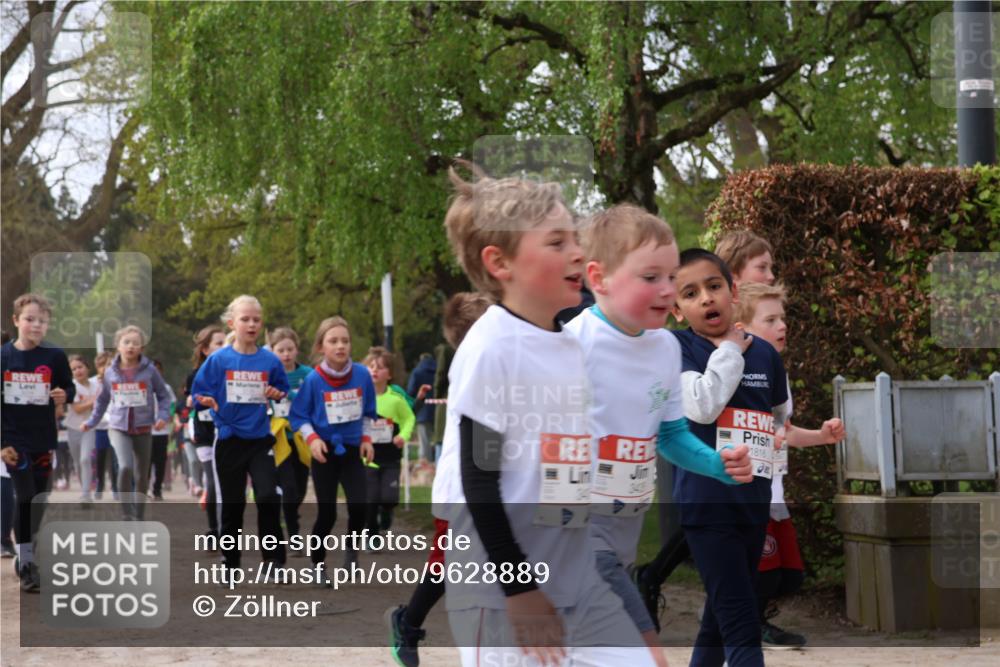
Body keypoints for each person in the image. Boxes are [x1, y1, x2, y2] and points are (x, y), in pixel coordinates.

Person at [438, 164, 656, 667]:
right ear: (500, 263)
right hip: (502, 595)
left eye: (574, 238)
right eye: (556, 242)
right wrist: (520, 590)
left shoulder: (566, 342)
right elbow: (480, 478)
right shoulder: (492, 347)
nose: (578, 252)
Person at [567, 204, 754, 666]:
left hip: (621, 535)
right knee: (647, 655)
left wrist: (717, 464)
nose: (667, 290)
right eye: (650, 277)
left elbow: (670, 434)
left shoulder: (665, 348)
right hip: (570, 537)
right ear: (600, 278)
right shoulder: (571, 346)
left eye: (670, 277)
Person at [667, 248, 790, 667]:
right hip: (706, 505)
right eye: (690, 292)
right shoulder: (675, 348)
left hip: (752, 505)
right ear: (677, 309)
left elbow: (776, 420)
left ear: (733, 291)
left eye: (714, 286)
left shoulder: (766, 355)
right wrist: (730, 351)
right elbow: (700, 405)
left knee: (720, 621)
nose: (706, 298)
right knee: (741, 620)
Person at [733, 281, 845, 649]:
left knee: (790, 576)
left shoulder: (776, 370)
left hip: (772, 488)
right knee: (760, 576)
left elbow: (785, 431)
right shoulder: (734, 370)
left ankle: (741, 622)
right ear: (744, 328)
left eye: (783, 318)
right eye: (771, 319)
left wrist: (821, 436)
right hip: (744, 490)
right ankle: (745, 628)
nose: (783, 326)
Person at [387, 291, 493, 667]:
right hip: (461, 487)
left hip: (488, 484)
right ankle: (408, 623)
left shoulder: (494, 361)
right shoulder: (472, 363)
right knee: (447, 565)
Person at [191, 295, 289, 575]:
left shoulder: (269, 360)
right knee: (234, 503)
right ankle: (230, 562)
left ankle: (273, 560)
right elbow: (198, 393)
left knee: (268, 495)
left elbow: (281, 389)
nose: (251, 324)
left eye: (256, 319)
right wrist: (206, 401)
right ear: (232, 322)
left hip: (260, 439)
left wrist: (276, 392)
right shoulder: (219, 360)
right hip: (229, 439)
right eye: (245, 319)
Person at [289, 316, 376, 577]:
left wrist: (367, 439)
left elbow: (369, 411)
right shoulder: (314, 380)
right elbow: (299, 416)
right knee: (327, 513)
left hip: (350, 451)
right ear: (320, 348)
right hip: (324, 452)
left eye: (345, 341)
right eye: (333, 341)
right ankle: (318, 563)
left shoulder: (361, 374)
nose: (341, 346)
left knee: (360, 505)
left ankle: (351, 552)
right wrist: (312, 439)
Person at [1, 293, 75, 591]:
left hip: (43, 437)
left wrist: (63, 395)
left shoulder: (54, 356)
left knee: (39, 501)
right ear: (16, 320)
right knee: (26, 496)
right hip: (12, 439)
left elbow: (68, 386)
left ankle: (25, 554)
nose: (36, 325)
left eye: (42, 321)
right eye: (30, 319)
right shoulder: (4, 357)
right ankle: (28, 564)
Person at [82, 325, 171, 521]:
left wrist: (162, 417)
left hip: (143, 427)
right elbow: (102, 399)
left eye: (136, 343)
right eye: (126, 342)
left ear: (141, 347)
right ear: (118, 346)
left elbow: (164, 396)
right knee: (125, 467)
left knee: (142, 474)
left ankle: (138, 513)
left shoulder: (150, 371)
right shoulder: (110, 372)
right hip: (118, 427)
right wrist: (92, 421)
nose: (131, 346)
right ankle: (126, 511)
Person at [364, 346, 417, 541]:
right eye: (371, 367)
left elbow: (409, 419)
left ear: (390, 374)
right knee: (370, 499)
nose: (375, 370)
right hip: (367, 458)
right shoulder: (361, 398)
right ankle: (372, 536)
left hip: (391, 458)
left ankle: (386, 514)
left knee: (388, 498)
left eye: (380, 367)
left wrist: (403, 435)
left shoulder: (395, 400)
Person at [268, 326, 312, 552]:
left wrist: (292, 394)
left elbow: (313, 398)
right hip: (279, 438)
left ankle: (290, 513)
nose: (285, 354)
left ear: (296, 350)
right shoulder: (269, 373)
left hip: (302, 436)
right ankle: (294, 537)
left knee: (301, 487)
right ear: (273, 351)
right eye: (280, 350)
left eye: (289, 349)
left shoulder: (307, 374)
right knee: (289, 487)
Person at [185, 325, 226, 537]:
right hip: (205, 436)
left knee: (226, 485)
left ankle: (225, 527)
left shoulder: (232, 372)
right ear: (205, 349)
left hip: (227, 433)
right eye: (219, 343)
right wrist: (191, 400)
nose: (224, 347)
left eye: (226, 342)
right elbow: (188, 401)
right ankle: (214, 529)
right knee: (211, 480)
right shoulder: (195, 376)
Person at [65, 355, 100, 503]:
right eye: (74, 369)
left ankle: (86, 494)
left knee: (85, 458)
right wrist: (93, 400)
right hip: (73, 428)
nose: (78, 371)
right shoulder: (71, 386)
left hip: (89, 428)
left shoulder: (96, 384)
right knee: (78, 461)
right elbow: (78, 408)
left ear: (87, 368)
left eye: (80, 367)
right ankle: (84, 487)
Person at [148, 359, 176, 500]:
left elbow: (171, 405)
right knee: (146, 462)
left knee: (160, 461)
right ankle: (144, 489)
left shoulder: (166, 388)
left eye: (158, 369)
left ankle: (157, 489)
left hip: (161, 430)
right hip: (145, 431)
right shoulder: (142, 386)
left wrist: (167, 418)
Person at [92, 351, 118, 500]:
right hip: (100, 426)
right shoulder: (93, 382)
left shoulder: (117, 380)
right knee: (101, 457)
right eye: (102, 365)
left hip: (115, 425)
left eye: (108, 365)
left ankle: (115, 486)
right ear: (97, 367)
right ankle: (100, 484)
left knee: (115, 458)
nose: (105, 368)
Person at [406, 352, 436, 465]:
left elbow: (411, 391)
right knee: (439, 440)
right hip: (439, 410)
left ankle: (425, 463)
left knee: (424, 440)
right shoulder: (438, 371)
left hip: (422, 410)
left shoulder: (417, 372)